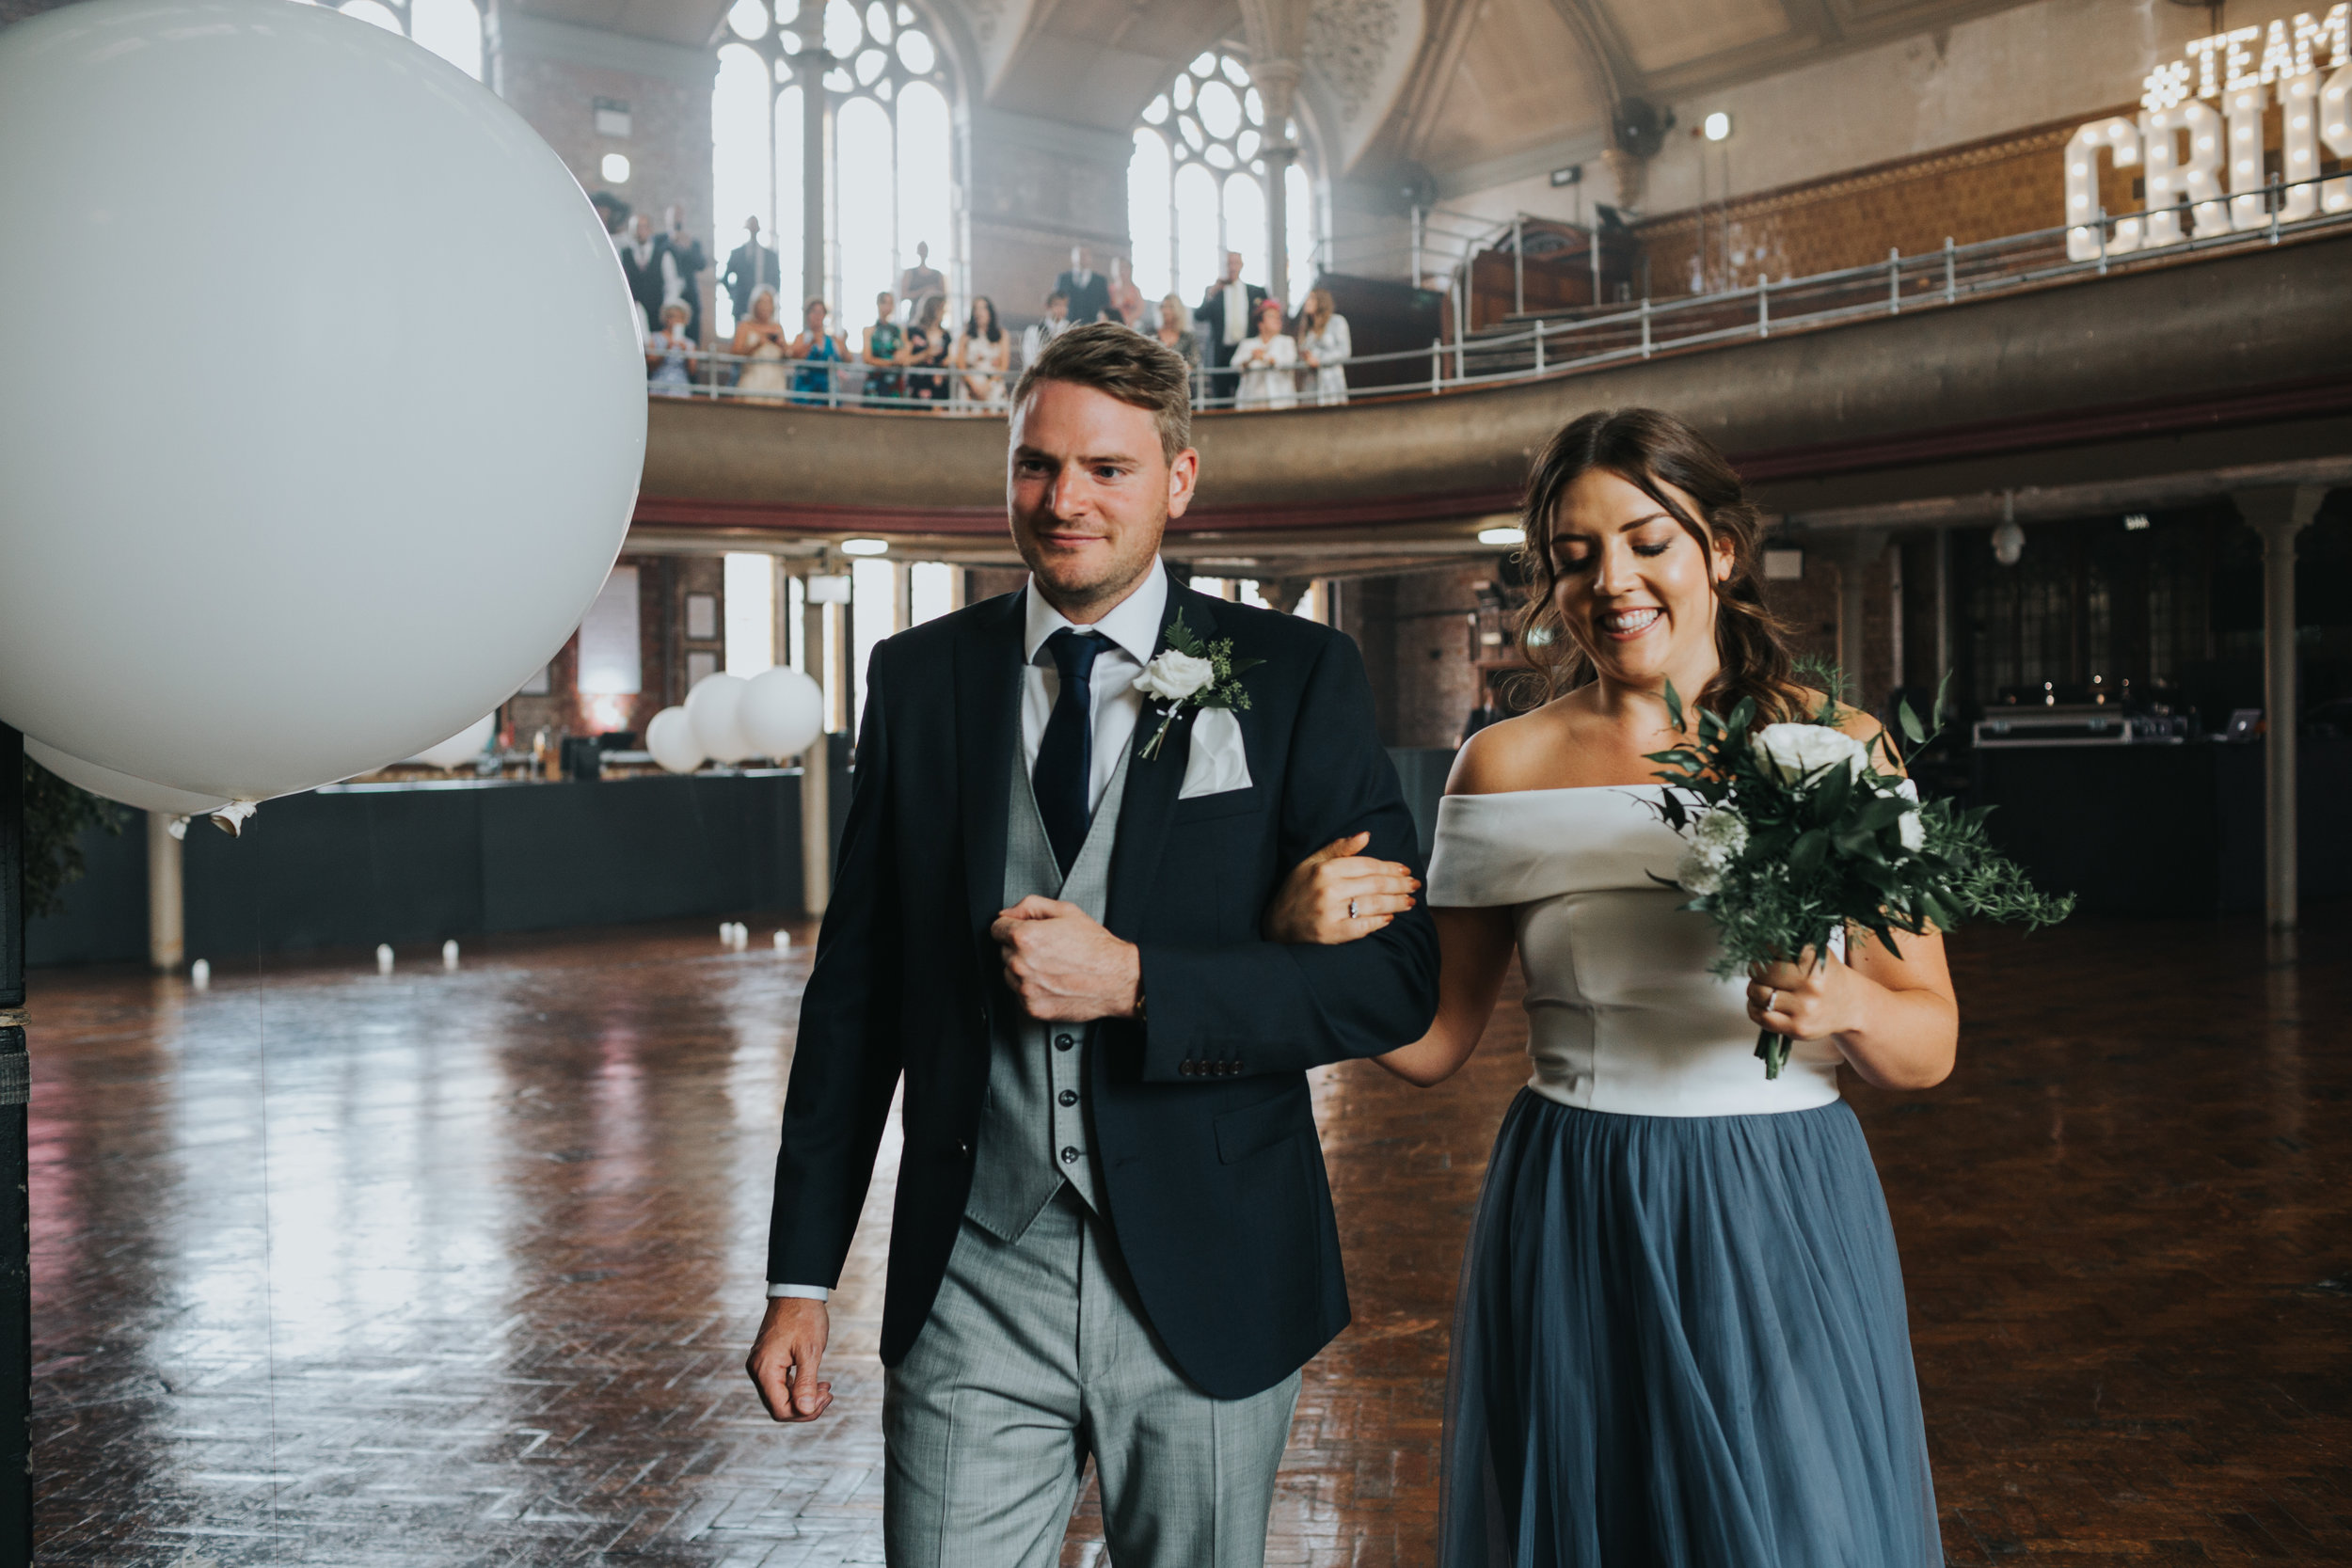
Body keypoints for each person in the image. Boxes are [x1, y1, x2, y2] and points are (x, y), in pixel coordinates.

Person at [745, 323, 1439, 1568]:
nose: (1064, 500)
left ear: (1179, 479)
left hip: (1214, 1268)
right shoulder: (917, 681)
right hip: (975, 1268)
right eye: (1035, 464)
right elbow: (855, 999)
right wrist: (802, 1268)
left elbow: (1390, 981)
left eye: (1107, 468)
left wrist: (1137, 980)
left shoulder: (1294, 674)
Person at [1267, 405, 1952, 1568]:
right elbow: (1435, 1041)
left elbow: (1926, 1041)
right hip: (1576, 1189)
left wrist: (1849, 1007)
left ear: (1718, 550)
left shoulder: (1840, 745)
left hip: (1780, 1193)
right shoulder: (1504, 761)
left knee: (1792, 1527)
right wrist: (1300, 943)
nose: (1611, 581)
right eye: (1573, 555)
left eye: (1647, 541)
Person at [1192, 250, 1267, 404]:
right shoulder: (1215, 292)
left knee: (1247, 395)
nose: (1232, 267)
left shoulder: (1255, 292)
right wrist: (1212, 293)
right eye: (1229, 264)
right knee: (1221, 398)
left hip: (1246, 351)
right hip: (1222, 353)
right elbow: (1199, 316)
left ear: (1241, 265)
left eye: (1235, 263)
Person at [1232, 299, 1298, 410]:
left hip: (1280, 402)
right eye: (1271, 316)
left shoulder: (1287, 342)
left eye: (1278, 317)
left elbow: (1289, 363)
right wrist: (1250, 359)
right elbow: (1234, 366)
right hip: (1251, 403)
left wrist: (1265, 357)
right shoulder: (1247, 344)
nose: (1277, 320)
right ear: (1260, 323)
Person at [733, 287, 791, 402]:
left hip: (775, 382)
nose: (765, 306)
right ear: (754, 304)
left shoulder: (777, 328)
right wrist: (757, 344)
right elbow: (735, 353)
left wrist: (782, 346)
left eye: (768, 302)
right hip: (753, 380)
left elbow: (788, 355)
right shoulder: (745, 326)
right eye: (761, 302)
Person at [662, 204, 708, 343]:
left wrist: (688, 247)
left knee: (692, 336)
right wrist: (671, 242)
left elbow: (701, 264)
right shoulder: (661, 240)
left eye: (679, 216)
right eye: (674, 216)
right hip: (667, 295)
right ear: (667, 219)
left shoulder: (692, 242)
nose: (677, 219)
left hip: (689, 296)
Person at [1296, 287, 1351, 407]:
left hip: (1331, 383)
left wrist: (1320, 361)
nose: (1307, 302)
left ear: (1321, 301)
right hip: (1311, 386)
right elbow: (1301, 356)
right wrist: (1306, 360)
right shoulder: (1307, 330)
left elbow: (1344, 351)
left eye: (1311, 298)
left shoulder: (1337, 322)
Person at [723, 215, 783, 325]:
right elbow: (725, 278)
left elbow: (777, 279)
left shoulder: (770, 255)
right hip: (742, 305)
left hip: (765, 308)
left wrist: (768, 300)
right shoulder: (737, 254)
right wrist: (734, 295)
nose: (753, 229)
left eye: (755, 226)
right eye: (751, 226)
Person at [787, 296, 847, 404]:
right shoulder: (801, 338)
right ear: (807, 315)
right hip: (804, 392)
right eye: (813, 312)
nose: (817, 316)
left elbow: (847, 359)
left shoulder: (833, 340)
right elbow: (794, 356)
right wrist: (810, 344)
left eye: (820, 312)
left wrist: (845, 342)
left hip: (827, 393)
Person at [954, 294, 1009, 406]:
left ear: (990, 312)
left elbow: (1004, 365)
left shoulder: (1001, 335)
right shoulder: (965, 336)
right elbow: (960, 363)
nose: (980, 313)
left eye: (983, 308)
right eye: (976, 309)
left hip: (993, 386)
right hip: (971, 387)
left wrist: (988, 386)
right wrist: (974, 386)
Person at [618, 213, 667, 331]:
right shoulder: (623, 254)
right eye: (636, 228)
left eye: (643, 227)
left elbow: (671, 284)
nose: (640, 231)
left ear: (650, 229)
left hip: (656, 311)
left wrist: (665, 308)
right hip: (632, 312)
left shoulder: (663, 255)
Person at [862, 290, 910, 405]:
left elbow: (905, 355)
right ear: (878, 304)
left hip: (895, 383)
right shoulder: (869, 331)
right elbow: (867, 358)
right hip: (876, 382)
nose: (887, 307)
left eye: (890, 303)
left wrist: (899, 358)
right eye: (884, 303)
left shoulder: (899, 330)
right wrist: (891, 363)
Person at [906, 293, 952, 404]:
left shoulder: (946, 336)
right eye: (941, 309)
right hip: (918, 385)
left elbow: (950, 358)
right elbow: (905, 360)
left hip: (939, 387)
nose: (944, 312)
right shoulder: (913, 332)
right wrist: (926, 354)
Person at [644, 300, 695, 397]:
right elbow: (650, 365)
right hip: (659, 385)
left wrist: (686, 353)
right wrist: (666, 350)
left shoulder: (689, 343)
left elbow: (692, 371)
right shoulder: (655, 338)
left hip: (681, 388)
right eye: (672, 316)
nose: (675, 320)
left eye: (680, 317)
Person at [1054, 243, 1112, 325]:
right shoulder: (1063, 279)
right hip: (1067, 326)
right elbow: (1056, 302)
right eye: (1079, 254)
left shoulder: (1100, 281)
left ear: (1090, 257)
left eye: (1085, 254)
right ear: (1072, 257)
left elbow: (1105, 305)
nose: (1082, 257)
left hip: (1093, 327)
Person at [1019, 290, 1070, 370]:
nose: (1062, 309)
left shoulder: (1070, 329)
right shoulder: (1034, 331)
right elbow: (1029, 360)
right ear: (1047, 307)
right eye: (1057, 305)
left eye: (1064, 305)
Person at [1151, 293, 1199, 372]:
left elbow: (1193, 361)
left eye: (1170, 307)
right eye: (1163, 307)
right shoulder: (1151, 334)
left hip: (1179, 379)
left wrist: (1174, 373)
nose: (1165, 311)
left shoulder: (1188, 337)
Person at [898, 241, 946, 317]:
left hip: (934, 316)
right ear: (918, 252)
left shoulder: (937, 274)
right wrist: (924, 291)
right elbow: (903, 295)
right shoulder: (910, 272)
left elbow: (944, 297)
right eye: (921, 249)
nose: (923, 252)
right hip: (915, 316)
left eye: (925, 249)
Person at [1106, 255, 1145, 328]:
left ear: (1130, 270)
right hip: (1113, 325)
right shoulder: (1110, 290)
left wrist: (1129, 319)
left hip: (1131, 325)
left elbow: (1140, 308)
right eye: (1119, 268)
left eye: (1124, 268)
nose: (1121, 271)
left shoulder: (1135, 290)